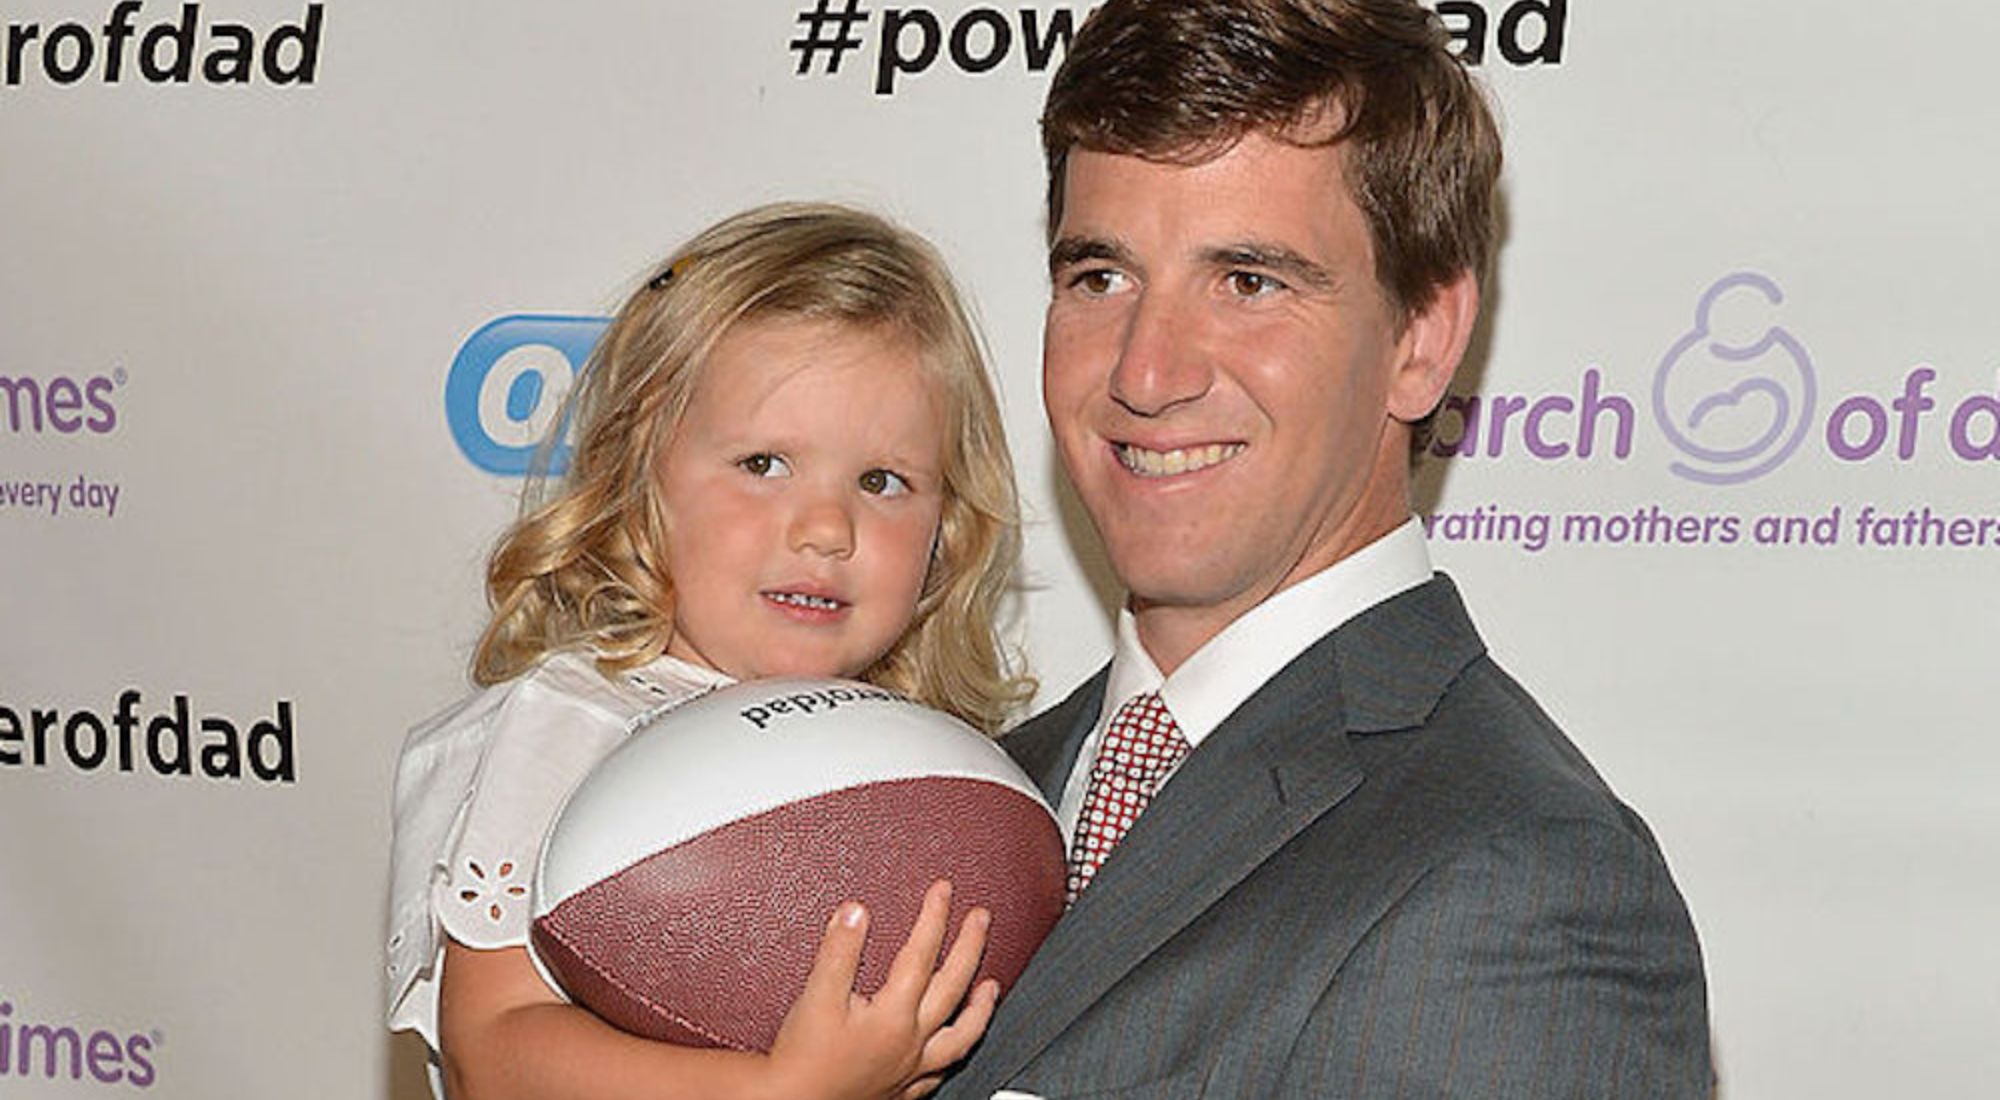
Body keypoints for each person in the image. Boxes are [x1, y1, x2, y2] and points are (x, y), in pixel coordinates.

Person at [937, 1, 1712, 1096]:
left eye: (1246, 282)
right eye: (1099, 276)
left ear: (1420, 339)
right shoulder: (964, 792)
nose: (1144, 374)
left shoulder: (1517, 875)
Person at [385, 202, 1034, 1100]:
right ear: (640, 470)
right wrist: (785, 1091)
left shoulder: (928, 778)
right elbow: (492, 1051)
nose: (825, 528)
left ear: (947, 529)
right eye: (764, 464)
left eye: (883, 482)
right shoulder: (570, 725)